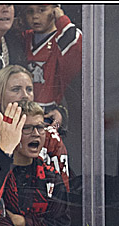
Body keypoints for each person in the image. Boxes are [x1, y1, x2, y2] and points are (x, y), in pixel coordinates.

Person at [0, 65, 70, 190]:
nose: (25, 96)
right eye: (16, 89)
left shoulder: (49, 136)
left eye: (29, 89)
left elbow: (63, 192)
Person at [20, 4, 82, 132]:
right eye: (30, 11)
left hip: (50, 115)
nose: (35, 16)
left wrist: (62, 19)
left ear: (55, 10)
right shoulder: (24, 37)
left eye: (42, 10)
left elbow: (77, 49)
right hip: (25, 115)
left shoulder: (64, 37)